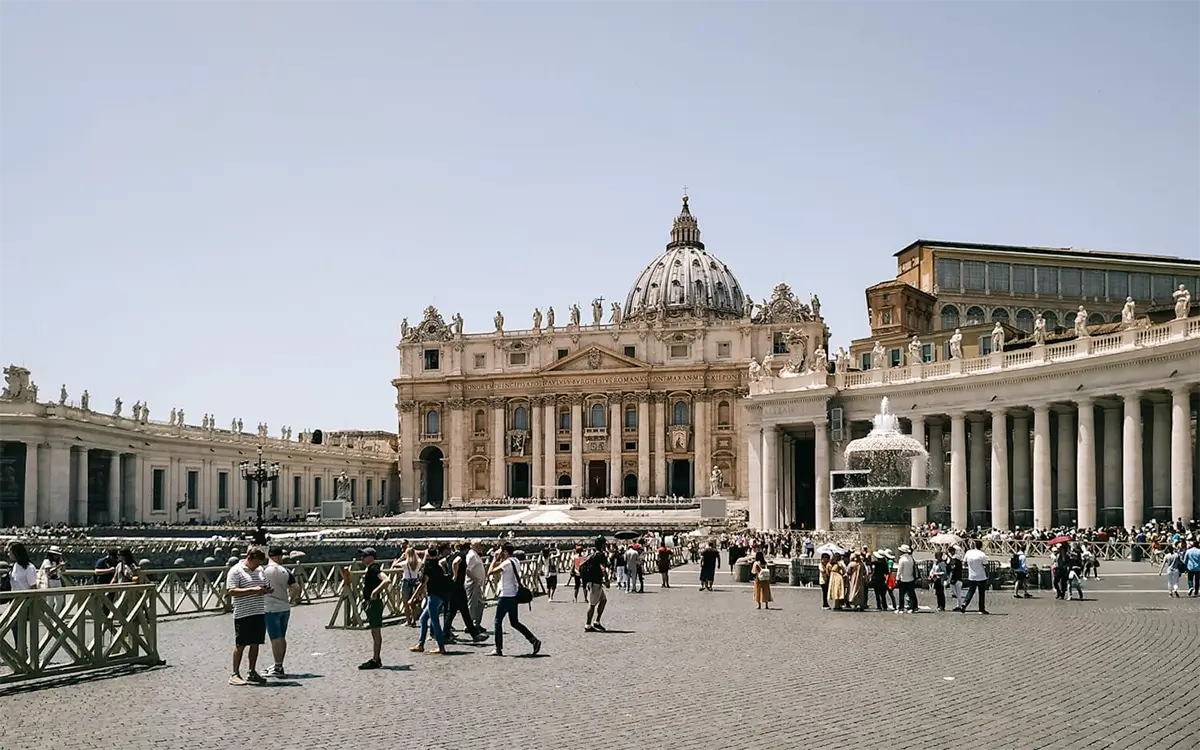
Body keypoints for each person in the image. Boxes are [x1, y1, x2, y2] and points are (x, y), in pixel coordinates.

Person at [225, 548, 271, 685]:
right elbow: (231, 591)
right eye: (257, 562)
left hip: (258, 611)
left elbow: (263, 584)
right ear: (250, 558)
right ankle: (234, 674)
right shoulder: (236, 570)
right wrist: (253, 590)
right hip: (243, 613)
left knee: (255, 643)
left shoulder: (260, 570)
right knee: (241, 643)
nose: (259, 565)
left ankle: (252, 671)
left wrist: (265, 590)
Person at [487, 543, 541, 656]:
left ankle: (498, 648)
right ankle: (533, 640)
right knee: (515, 622)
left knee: (497, 621)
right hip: (514, 595)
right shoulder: (515, 561)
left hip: (506, 595)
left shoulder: (506, 563)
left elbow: (490, 572)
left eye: (502, 551)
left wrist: (494, 558)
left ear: (506, 552)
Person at [262, 547, 301, 677]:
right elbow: (296, 587)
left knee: (275, 638)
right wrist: (292, 599)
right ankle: (279, 664)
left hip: (270, 608)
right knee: (282, 637)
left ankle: (278, 667)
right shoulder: (286, 571)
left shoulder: (264, 571)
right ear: (278, 557)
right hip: (284, 607)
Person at [443, 541, 486, 642]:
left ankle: (473, 634)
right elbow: (455, 563)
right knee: (453, 612)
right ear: (466, 549)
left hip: (453, 587)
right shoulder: (461, 555)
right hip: (457, 587)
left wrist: (446, 574)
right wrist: (455, 575)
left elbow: (441, 562)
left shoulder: (451, 556)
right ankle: (445, 634)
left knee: (462, 611)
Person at [408, 547, 447, 655]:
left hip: (433, 597)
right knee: (423, 619)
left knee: (435, 622)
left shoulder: (428, 567)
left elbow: (422, 584)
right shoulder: (439, 566)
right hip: (440, 597)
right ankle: (420, 644)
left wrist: (412, 598)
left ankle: (441, 647)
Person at [357, 548, 392, 668]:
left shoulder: (374, 568)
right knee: (374, 630)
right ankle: (376, 658)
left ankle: (376, 659)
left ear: (371, 557)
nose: (362, 558)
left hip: (374, 603)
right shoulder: (370, 568)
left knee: (376, 631)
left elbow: (387, 580)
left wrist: (376, 591)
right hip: (371, 602)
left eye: (364, 556)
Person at [580, 536, 609, 632]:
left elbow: (581, 564)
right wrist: (607, 579)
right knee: (592, 604)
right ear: (602, 545)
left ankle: (597, 622)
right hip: (595, 582)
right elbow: (603, 568)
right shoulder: (600, 555)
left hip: (593, 582)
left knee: (603, 600)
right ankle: (588, 624)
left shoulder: (592, 554)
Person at [957, 540, 989, 614]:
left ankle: (964, 604)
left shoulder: (969, 553)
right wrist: (987, 575)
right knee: (981, 593)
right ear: (981, 546)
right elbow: (986, 565)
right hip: (981, 576)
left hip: (971, 576)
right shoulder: (982, 554)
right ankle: (981, 609)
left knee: (971, 591)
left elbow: (964, 563)